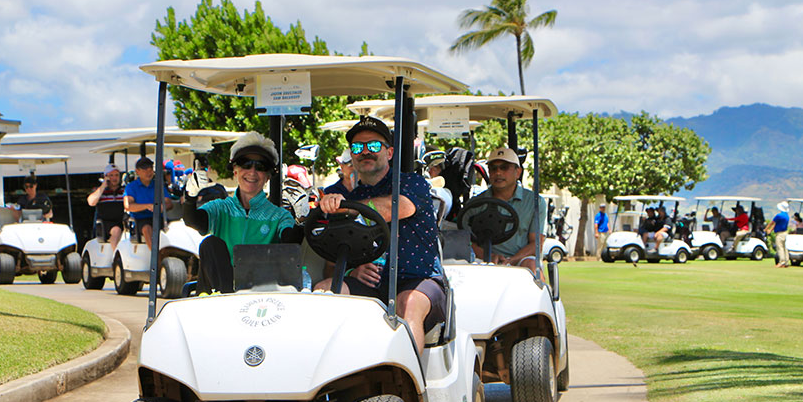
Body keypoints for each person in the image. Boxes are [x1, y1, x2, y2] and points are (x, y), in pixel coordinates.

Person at [316, 116, 445, 353]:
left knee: (407, 303)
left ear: (389, 152)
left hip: (418, 280)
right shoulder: (352, 198)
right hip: (374, 285)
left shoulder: (412, 183)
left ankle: (407, 374)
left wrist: (346, 207)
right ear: (352, 155)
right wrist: (352, 271)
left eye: (374, 145)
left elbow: (395, 208)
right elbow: (332, 262)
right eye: (358, 147)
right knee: (324, 290)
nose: (365, 152)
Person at [183, 131, 296, 294]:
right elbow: (193, 221)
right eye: (245, 164)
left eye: (260, 167)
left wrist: (301, 217)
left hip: (261, 295)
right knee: (210, 243)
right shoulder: (220, 208)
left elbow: (291, 241)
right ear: (235, 171)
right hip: (220, 294)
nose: (252, 172)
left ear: (268, 177)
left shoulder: (279, 216)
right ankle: (227, 296)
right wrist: (190, 196)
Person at [468, 146, 546, 273]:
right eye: (493, 168)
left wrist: (511, 260)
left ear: (518, 172)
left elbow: (536, 244)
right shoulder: (475, 204)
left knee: (532, 265)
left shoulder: (535, 202)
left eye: (504, 167)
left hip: (520, 260)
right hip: (482, 260)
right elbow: (468, 241)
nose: (498, 173)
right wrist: (489, 256)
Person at [124, 156, 172, 247]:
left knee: (175, 227)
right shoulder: (131, 187)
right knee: (147, 228)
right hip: (140, 220)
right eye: (145, 170)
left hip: (159, 218)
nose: (148, 173)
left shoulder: (158, 185)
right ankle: (155, 254)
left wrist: (163, 207)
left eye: (150, 170)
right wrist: (148, 206)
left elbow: (168, 202)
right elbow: (128, 206)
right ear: (137, 171)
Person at [86, 163, 125, 252]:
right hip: (105, 224)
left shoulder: (124, 190)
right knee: (116, 230)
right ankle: (115, 256)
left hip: (122, 221)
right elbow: (91, 202)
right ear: (106, 177)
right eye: (111, 175)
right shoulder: (99, 191)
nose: (114, 178)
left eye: (116, 175)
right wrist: (103, 185)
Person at [765, 201, 790, 267]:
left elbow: (772, 223)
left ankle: (782, 262)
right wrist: (770, 230)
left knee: (780, 247)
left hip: (779, 234)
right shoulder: (787, 216)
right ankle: (786, 262)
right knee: (784, 248)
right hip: (785, 233)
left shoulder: (779, 215)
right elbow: (776, 224)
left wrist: (766, 229)